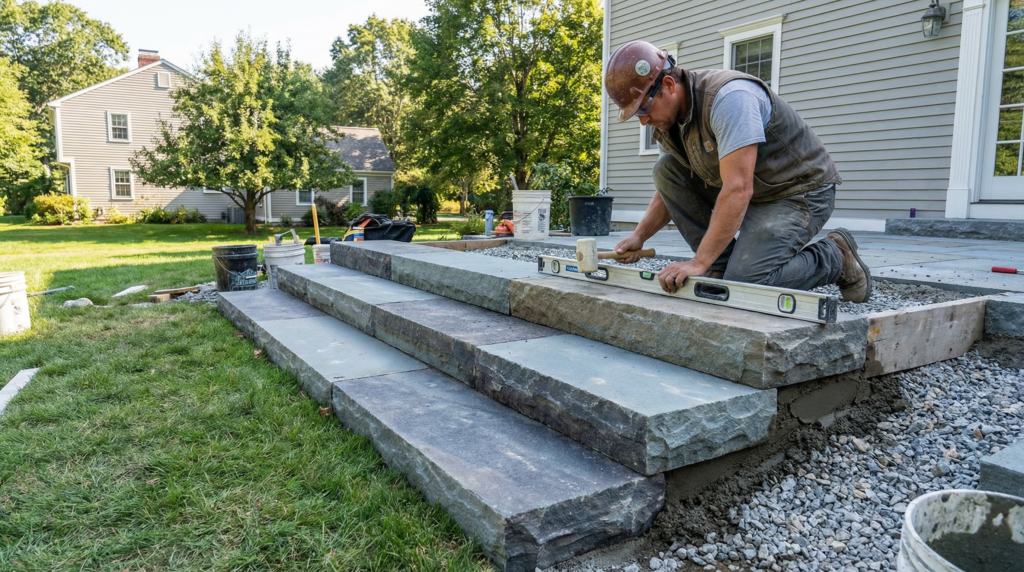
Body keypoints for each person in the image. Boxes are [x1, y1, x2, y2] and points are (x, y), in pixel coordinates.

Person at [605, 40, 871, 303]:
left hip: (796, 191)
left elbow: (738, 188)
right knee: (666, 170)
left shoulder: (730, 99)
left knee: (746, 285)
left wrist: (698, 262)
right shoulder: (668, 124)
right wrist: (639, 236)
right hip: (752, 192)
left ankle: (836, 256)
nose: (642, 120)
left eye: (643, 108)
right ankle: (719, 267)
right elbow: (669, 189)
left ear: (668, 85)